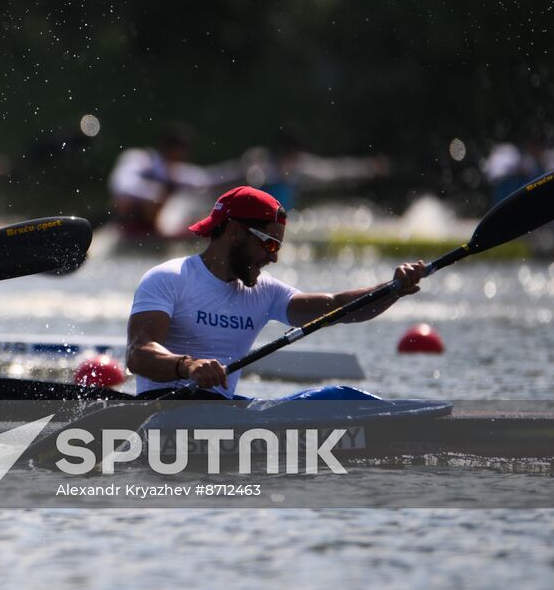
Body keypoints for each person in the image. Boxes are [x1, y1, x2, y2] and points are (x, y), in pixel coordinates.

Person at [125, 185, 425, 399]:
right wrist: (187, 366)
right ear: (234, 232)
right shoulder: (169, 278)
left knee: (337, 398)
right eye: (269, 244)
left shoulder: (265, 293)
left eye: (279, 247)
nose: (274, 258)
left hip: (220, 412)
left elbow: (336, 307)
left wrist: (392, 289)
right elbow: (138, 354)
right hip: (163, 407)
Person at [108, 123, 242, 238]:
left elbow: (205, 179)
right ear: (168, 148)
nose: (183, 156)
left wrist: (243, 167)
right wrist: (155, 193)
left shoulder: (174, 171)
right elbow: (121, 185)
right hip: (127, 222)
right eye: (180, 151)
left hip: (155, 229)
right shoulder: (139, 159)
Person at [240, 126, 390, 210]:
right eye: (293, 157)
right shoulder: (256, 165)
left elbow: (333, 171)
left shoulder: (298, 168)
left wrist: (370, 167)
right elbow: (221, 179)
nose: (294, 162)